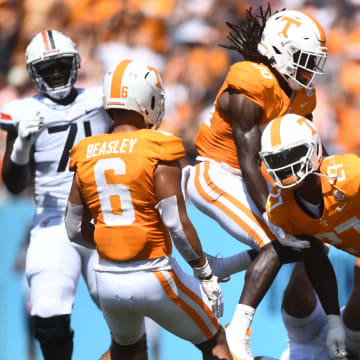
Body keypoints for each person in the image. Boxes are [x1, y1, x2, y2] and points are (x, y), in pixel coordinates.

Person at [183, 4, 328, 359]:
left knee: (311, 244)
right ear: (279, 52)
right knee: (276, 241)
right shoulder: (249, 81)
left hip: (253, 176)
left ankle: (222, 267)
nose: (310, 68)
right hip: (216, 175)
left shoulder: (300, 93)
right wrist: (276, 218)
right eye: (303, 58)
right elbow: (248, 163)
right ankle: (236, 335)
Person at [64, 58, 231, 360]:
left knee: (127, 351)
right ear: (145, 99)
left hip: (108, 280)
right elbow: (176, 223)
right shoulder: (158, 146)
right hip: (154, 274)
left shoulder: (85, 152)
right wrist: (204, 272)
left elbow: (73, 228)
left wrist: (111, 240)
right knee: (216, 341)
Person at [0, 30, 113, 360]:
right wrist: (21, 145)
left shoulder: (100, 99)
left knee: (127, 308)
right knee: (48, 315)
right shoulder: (21, 111)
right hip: (53, 221)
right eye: (46, 69)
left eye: (61, 65)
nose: (55, 73)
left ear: (75, 63)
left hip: (102, 216)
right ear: (34, 73)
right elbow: (14, 185)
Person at [261, 113, 360, 359]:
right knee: (298, 294)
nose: (286, 166)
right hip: (310, 335)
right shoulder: (280, 207)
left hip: (350, 338)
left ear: (316, 150)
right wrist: (333, 320)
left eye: (293, 155)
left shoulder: (350, 177)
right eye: (278, 159)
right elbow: (314, 260)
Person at [280, 258, 360, 360]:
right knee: (356, 309)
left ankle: (315, 245)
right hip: (350, 348)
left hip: (302, 342)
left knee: (298, 290)